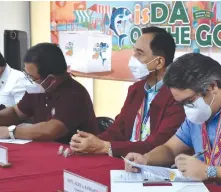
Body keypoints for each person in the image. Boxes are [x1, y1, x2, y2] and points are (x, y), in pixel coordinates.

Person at [125, 53, 221, 192]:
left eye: (189, 101)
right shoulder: (199, 114)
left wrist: (209, 171)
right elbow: (170, 149)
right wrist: (146, 159)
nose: (187, 108)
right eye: (181, 103)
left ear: (212, 86)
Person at [70, 26, 185, 157]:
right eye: (134, 52)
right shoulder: (136, 89)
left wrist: (105, 147)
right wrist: (89, 142)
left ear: (159, 62)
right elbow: (118, 130)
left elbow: (158, 144)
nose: (133, 59)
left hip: (154, 165)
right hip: (125, 161)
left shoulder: (177, 95)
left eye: (140, 54)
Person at [0, 43, 99, 144]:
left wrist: (10, 131)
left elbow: (51, 131)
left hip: (75, 154)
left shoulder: (75, 94)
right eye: (26, 74)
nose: (27, 80)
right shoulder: (37, 88)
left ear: (51, 80)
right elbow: (16, 112)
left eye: (31, 77)